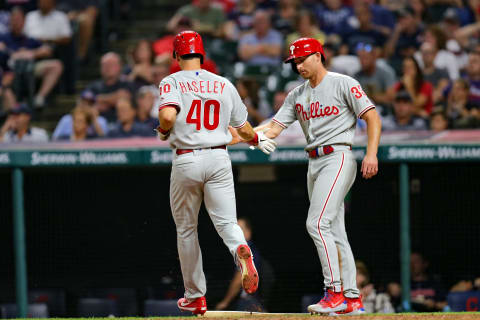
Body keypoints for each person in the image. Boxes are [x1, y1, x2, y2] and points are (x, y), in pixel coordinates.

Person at [255, 38, 381, 315]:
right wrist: (244, 134)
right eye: (294, 62)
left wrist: (371, 154)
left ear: (317, 56)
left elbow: (372, 116)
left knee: (317, 223)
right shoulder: (296, 94)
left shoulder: (342, 82)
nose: (298, 65)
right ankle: (351, 298)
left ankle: (333, 292)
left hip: (338, 155)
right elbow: (273, 128)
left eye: (302, 59)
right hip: (314, 162)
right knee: (335, 231)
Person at [155, 30, 277, 315]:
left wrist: (163, 129)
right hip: (219, 158)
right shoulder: (223, 83)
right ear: (202, 54)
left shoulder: (171, 81)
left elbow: (168, 116)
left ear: (176, 55)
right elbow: (245, 128)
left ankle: (195, 296)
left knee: (187, 230)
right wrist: (257, 139)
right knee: (227, 223)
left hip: (187, 159)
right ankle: (239, 250)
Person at [215, 217, 266, 312]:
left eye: (240, 230)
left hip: (247, 302)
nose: (235, 234)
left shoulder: (249, 251)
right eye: (234, 231)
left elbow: (239, 279)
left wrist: (225, 302)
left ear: (248, 232)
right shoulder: (240, 251)